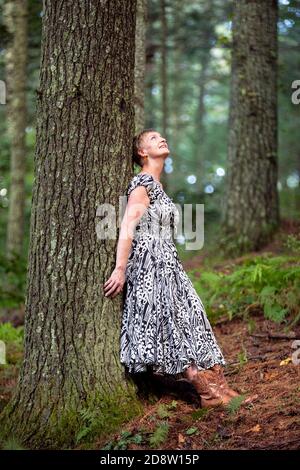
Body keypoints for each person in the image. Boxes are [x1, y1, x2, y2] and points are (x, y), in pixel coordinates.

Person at [103, 128, 255, 408]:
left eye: (161, 136)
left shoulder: (157, 185)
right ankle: (207, 392)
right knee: (171, 324)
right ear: (142, 152)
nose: (161, 139)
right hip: (150, 267)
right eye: (152, 138)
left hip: (169, 264)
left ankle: (221, 388)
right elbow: (127, 226)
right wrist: (120, 268)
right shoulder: (142, 184)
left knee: (193, 318)